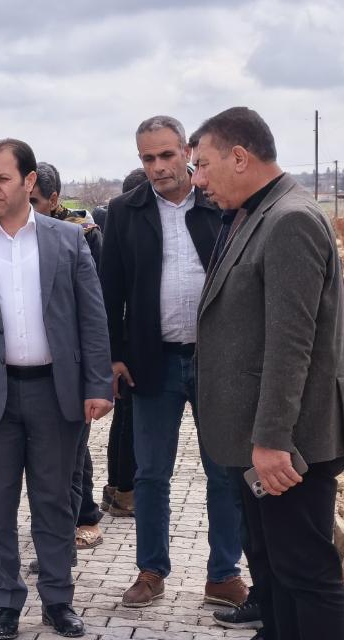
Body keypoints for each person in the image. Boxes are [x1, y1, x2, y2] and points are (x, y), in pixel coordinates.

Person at [191, 107, 344, 640]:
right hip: (262, 439)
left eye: (203, 165)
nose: (197, 180)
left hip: (292, 443)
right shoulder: (256, 212)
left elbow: (292, 343)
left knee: (304, 572)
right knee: (272, 565)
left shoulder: (290, 219)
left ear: (239, 157)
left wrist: (272, 440)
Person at [0, 138, 112, 639]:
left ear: (29, 181)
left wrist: (98, 383)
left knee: (54, 503)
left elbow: (92, 318)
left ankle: (58, 600)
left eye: (2, 178)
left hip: (55, 393)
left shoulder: (68, 241)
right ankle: (6, 601)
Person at [99, 116, 247, 611]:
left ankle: (223, 574)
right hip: (152, 362)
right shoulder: (124, 212)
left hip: (216, 362)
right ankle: (150, 571)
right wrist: (113, 356)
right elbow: (109, 291)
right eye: (148, 158)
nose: (158, 166)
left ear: (186, 151)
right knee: (150, 474)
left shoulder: (220, 203)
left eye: (166, 155)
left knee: (223, 470)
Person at [29, 162, 104, 553]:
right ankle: (53, 524)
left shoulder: (83, 236)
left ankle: (84, 518)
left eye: (34, 201)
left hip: (72, 360)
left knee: (73, 450)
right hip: (31, 363)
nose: (26, 208)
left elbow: (98, 306)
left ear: (54, 199)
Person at [98, 166, 150, 518]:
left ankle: (117, 488)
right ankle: (124, 490)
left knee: (124, 421)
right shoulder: (126, 231)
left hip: (126, 341)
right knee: (129, 423)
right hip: (133, 343)